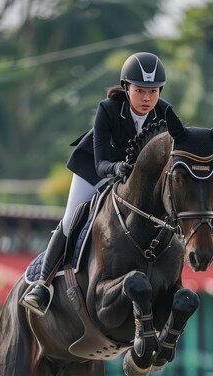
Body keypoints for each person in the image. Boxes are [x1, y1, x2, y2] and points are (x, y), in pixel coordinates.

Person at [22, 51, 169, 315]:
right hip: (94, 169)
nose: (147, 98)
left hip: (134, 180)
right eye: (140, 91)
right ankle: (42, 286)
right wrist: (117, 168)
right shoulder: (108, 109)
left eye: (154, 91)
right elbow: (101, 162)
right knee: (70, 219)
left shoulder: (165, 113)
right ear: (126, 88)